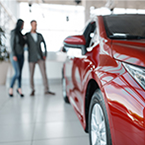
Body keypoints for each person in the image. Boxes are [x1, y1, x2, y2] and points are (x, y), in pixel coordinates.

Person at [25, 20, 55, 96]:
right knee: (31, 74)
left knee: (44, 74)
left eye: (36, 25)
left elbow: (44, 45)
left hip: (40, 57)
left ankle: (46, 89)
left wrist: (45, 55)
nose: (35, 26)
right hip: (31, 58)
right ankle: (32, 89)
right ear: (31, 25)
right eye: (34, 25)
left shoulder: (39, 35)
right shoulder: (27, 35)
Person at [9, 19, 25, 97]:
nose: (23, 26)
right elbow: (12, 44)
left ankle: (19, 88)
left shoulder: (21, 34)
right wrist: (14, 55)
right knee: (17, 73)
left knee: (20, 74)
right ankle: (11, 88)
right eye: (22, 25)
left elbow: (23, 45)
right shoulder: (13, 33)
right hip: (15, 55)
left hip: (21, 55)